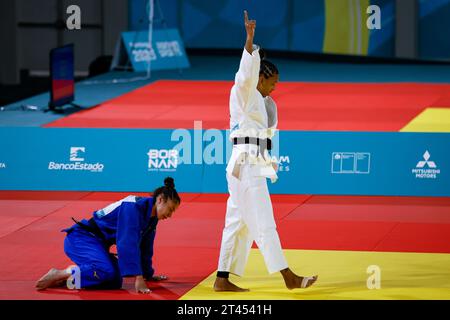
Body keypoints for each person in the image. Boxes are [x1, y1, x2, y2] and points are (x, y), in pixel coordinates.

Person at [214, 11, 318, 292]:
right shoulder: (244, 93)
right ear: (260, 78)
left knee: (237, 224)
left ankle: (222, 277)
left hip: (250, 164)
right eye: (272, 82)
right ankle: (288, 277)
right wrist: (249, 42)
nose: (275, 86)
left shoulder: (268, 104)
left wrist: (269, 166)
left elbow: (269, 138)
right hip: (244, 164)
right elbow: (244, 74)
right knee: (263, 220)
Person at [35, 177, 181, 294]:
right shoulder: (133, 207)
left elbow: (145, 247)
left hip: (98, 244)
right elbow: (127, 243)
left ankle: (69, 279)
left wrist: (147, 274)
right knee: (106, 271)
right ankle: (62, 272)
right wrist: (139, 278)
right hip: (82, 239)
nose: (170, 214)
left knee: (114, 281)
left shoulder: (152, 217)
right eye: (171, 208)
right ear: (160, 199)